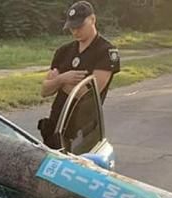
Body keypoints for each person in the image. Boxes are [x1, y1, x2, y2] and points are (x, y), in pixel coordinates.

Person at [38, 1, 120, 149]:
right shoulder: (63, 51)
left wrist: (57, 81)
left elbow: (88, 95)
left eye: (79, 26)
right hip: (57, 125)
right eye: (72, 28)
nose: (75, 31)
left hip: (82, 131)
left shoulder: (106, 52)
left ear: (93, 19)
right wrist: (64, 78)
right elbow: (44, 91)